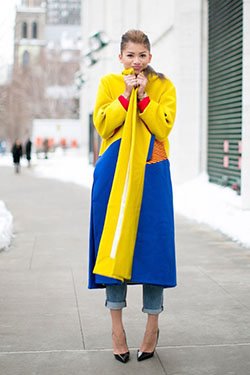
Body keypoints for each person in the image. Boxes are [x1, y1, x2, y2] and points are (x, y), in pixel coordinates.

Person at [88, 30, 177, 364]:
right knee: (115, 246)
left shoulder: (163, 86)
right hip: (113, 174)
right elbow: (103, 124)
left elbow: (162, 127)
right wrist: (125, 96)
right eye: (130, 55)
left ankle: (152, 326)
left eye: (142, 55)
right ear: (120, 58)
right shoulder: (110, 83)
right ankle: (117, 329)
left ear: (149, 58)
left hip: (151, 172)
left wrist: (144, 98)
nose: (136, 62)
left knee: (153, 247)